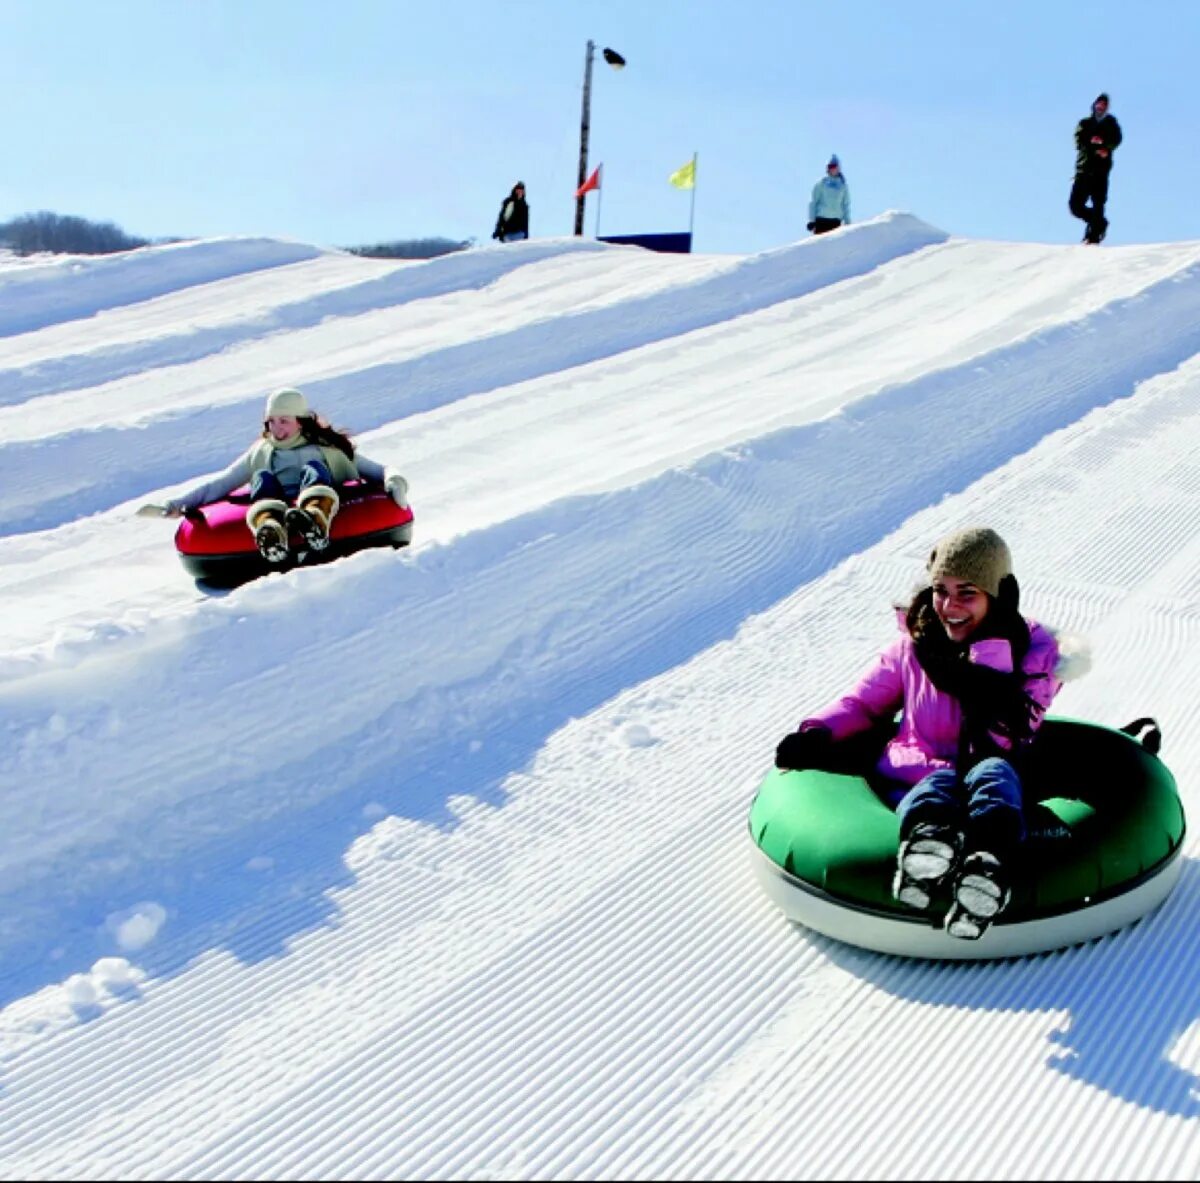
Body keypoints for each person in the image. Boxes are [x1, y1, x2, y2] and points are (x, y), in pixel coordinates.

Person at [773, 527, 1085, 940]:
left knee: (993, 772)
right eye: (941, 589)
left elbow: (1009, 731)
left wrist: (989, 650)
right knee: (937, 783)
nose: (949, 606)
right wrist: (817, 734)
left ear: (998, 596)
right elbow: (864, 704)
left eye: (967, 592)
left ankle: (987, 870)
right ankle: (926, 856)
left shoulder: (1034, 653)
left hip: (993, 774)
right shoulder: (915, 644)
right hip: (915, 771)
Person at [143, 388, 410, 565]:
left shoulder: (324, 448)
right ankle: (270, 531)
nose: (276, 428)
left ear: (300, 421)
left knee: (315, 469)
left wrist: (395, 482)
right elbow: (222, 483)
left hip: (314, 496)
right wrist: (177, 504)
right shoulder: (262, 451)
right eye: (272, 421)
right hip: (279, 503)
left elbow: (377, 470)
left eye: (284, 421)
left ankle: (315, 521)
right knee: (260, 477)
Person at [1070, 93, 1122, 245]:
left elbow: (1117, 139)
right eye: (1099, 104)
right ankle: (1100, 223)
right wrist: (1092, 142)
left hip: (1101, 170)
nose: (1101, 107)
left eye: (1104, 105)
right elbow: (1078, 140)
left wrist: (1106, 147)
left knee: (1098, 203)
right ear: (1094, 105)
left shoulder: (1111, 123)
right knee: (1075, 206)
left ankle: (1093, 236)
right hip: (1084, 169)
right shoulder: (1085, 123)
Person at [806, 155, 851, 235]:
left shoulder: (843, 187)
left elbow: (845, 205)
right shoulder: (821, 184)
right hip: (821, 220)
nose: (832, 169)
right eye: (830, 166)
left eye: (834, 166)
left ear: (838, 168)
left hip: (835, 222)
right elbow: (813, 202)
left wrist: (848, 222)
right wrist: (811, 220)